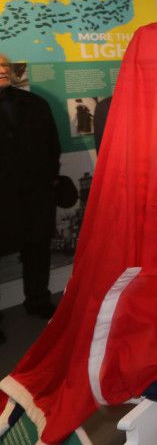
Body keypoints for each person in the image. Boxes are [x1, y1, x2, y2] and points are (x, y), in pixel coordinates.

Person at [0, 53, 62, 345]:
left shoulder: (35, 104)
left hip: (35, 194)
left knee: (38, 249)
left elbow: (53, 145)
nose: (2, 70)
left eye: (4, 65)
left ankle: (38, 300)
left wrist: (48, 178)